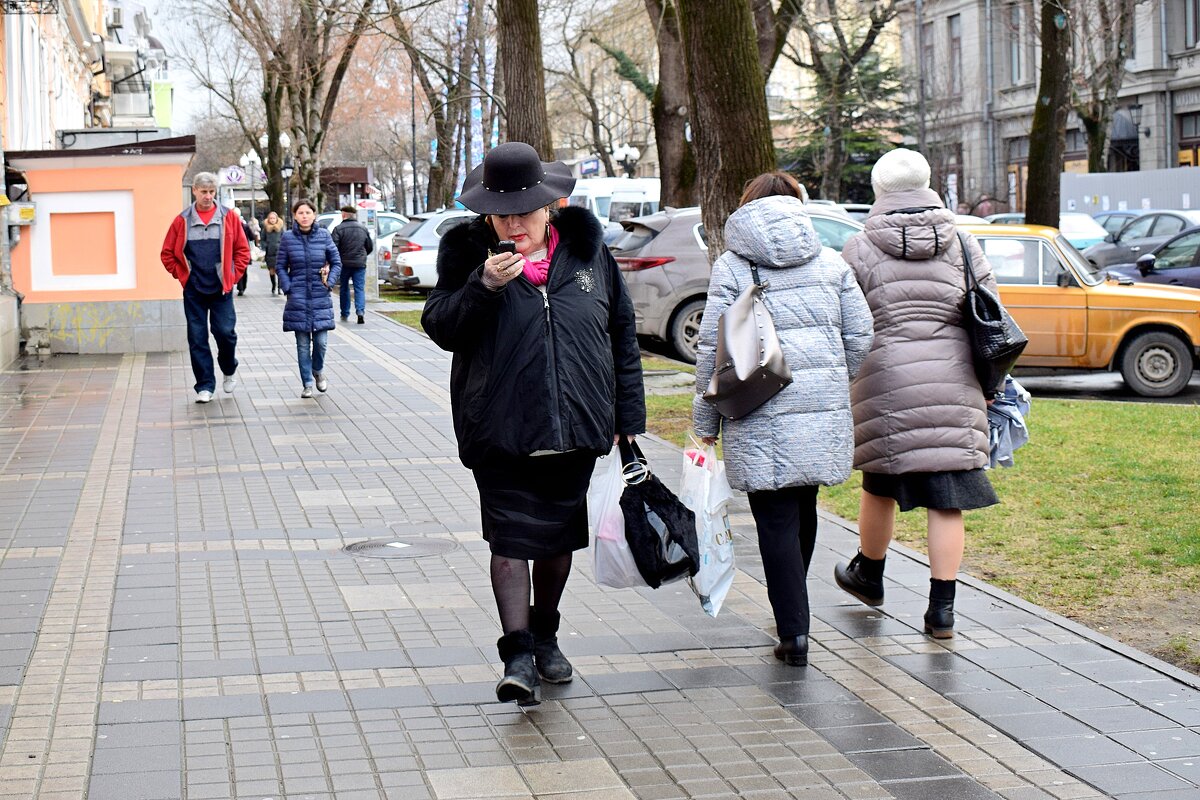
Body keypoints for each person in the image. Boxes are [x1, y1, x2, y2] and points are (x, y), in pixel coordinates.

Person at [421, 142, 645, 706]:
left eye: (524, 211)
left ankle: (546, 637)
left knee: (556, 544)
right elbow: (442, 326)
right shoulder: (466, 252)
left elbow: (621, 334)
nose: (514, 223)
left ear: (552, 206)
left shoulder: (589, 251)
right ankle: (517, 655)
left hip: (575, 428)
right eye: (502, 213)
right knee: (510, 540)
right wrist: (484, 286)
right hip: (500, 427)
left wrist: (628, 417)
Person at [692, 172, 873, 667]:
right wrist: (833, 378)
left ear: (748, 207)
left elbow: (713, 350)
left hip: (757, 408)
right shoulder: (830, 262)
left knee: (774, 517)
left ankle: (794, 631)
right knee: (804, 505)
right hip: (819, 408)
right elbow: (861, 335)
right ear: (798, 207)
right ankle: (794, 612)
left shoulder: (732, 266)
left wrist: (704, 420)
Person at [833, 148, 1001, 639]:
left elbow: (848, 320)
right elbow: (990, 314)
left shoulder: (859, 247)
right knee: (947, 498)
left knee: (880, 483)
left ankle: (870, 574)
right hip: (955, 380)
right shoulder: (964, 244)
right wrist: (991, 384)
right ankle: (941, 611)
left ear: (879, 189)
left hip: (884, 382)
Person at [160, 172, 250, 403]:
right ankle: (205, 385)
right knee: (197, 338)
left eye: (211, 192)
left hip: (222, 289)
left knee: (225, 334)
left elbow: (242, 251)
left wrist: (232, 275)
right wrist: (183, 276)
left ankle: (229, 368)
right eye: (204, 192)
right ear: (194, 191)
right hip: (194, 290)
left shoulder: (229, 218)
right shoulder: (182, 221)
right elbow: (167, 253)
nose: (208, 196)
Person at [276, 199, 342, 398]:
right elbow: (280, 266)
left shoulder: (323, 235)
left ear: (314, 215)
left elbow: (336, 261)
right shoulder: (287, 238)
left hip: (320, 296)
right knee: (303, 345)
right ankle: (306, 383)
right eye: (300, 212)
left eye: (308, 212)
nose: (304, 216)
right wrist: (287, 287)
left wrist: (329, 282)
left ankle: (318, 370)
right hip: (297, 298)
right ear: (295, 216)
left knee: (321, 343)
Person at [331, 205, 374, 324]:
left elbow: (333, 248)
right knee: (359, 288)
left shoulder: (338, 229)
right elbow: (369, 246)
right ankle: (360, 312)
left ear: (344, 214)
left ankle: (345, 312)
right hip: (359, 263)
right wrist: (362, 256)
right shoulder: (363, 228)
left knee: (344, 288)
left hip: (343, 263)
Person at [262, 211, 285, 295]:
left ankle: (280, 288)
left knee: (279, 270)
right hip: (270, 252)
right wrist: (265, 246)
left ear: (277, 219)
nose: (272, 220)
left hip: (279, 252)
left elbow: (284, 238)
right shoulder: (265, 229)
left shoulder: (281, 228)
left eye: (273, 218)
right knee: (271, 270)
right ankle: (273, 285)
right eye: (270, 218)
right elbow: (262, 239)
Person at [237, 214, 260, 296]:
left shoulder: (244, 227)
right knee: (243, 269)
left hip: (240, 250)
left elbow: (251, 237)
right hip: (243, 250)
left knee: (240, 269)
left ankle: (241, 287)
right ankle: (242, 287)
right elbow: (252, 237)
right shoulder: (245, 226)